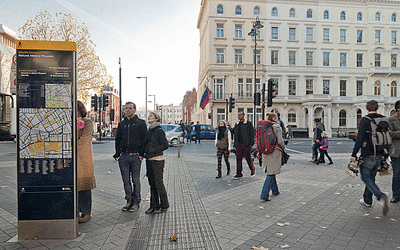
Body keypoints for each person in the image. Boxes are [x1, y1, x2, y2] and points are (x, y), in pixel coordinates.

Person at [351, 100, 389, 215]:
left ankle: (380, 196)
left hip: (368, 153)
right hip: (380, 153)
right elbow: (388, 137)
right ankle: (367, 200)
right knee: (371, 178)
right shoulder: (384, 119)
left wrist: (354, 154)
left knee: (365, 177)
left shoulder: (365, 120)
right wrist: (386, 154)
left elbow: (360, 138)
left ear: (367, 108)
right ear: (377, 108)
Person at [113, 102, 147, 212]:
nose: (127, 110)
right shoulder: (122, 124)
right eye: (126, 108)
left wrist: (141, 154)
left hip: (136, 156)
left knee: (135, 180)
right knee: (126, 180)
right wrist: (118, 154)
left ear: (135, 110)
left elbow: (144, 140)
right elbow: (118, 139)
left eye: (130, 108)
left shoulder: (141, 123)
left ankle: (136, 202)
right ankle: (128, 200)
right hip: (123, 156)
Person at [144, 112, 170, 214]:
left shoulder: (159, 131)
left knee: (159, 184)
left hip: (158, 160)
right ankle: (153, 206)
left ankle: (164, 205)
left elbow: (165, 145)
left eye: (151, 116)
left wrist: (153, 150)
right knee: (152, 184)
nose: (149, 117)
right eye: (149, 116)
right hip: (149, 160)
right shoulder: (149, 130)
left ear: (156, 119)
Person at [77, 100, 96, 223]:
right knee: (75, 186)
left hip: (83, 157)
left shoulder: (87, 122)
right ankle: (77, 211)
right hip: (72, 158)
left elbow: (85, 139)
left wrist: (69, 147)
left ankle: (86, 212)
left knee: (84, 186)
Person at [260, 113, 285, 201]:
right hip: (274, 151)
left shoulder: (264, 126)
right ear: (274, 118)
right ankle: (264, 194)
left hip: (265, 150)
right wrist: (283, 147)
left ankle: (275, 191)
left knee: (271, 170)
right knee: (271, 173)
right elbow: (280, 140)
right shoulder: (277, 127)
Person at [232, 112, 256, 179]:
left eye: (240, 115)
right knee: (238, 159)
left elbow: (252, 134)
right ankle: (239, 173)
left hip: (246, 144)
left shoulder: (248, 123)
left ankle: (252, 169)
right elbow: (234, 133)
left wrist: (251, 143)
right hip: (238, 144)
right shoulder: (237, 124)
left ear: (243, 115)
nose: (239, 116)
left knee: (248, 158)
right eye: (238, 115)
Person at [389, 100, 400, 203]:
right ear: (398, 109)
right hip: (396, 151)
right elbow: (390, 133)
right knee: (397, 174)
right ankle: (396, 195)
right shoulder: (392, 119)